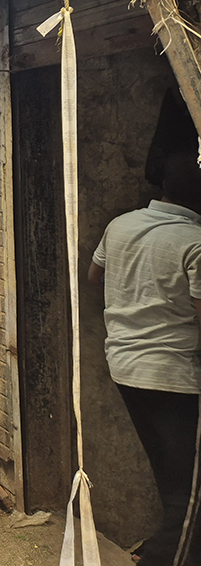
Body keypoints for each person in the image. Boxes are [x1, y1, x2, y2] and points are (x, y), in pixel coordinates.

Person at [89, 153, 201, 566]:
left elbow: (94, 275)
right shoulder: (195, 242)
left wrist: (141, 286)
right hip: (174, 376)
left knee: (176, 482)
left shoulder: (122, 224)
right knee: (191, 496)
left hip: (125, 366)